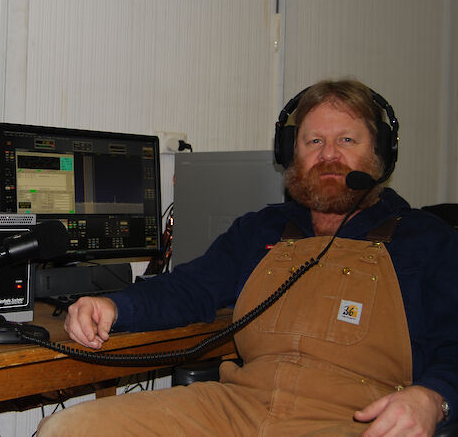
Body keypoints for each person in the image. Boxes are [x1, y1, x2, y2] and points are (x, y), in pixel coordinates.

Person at [37, 79, 458, 436]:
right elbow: (191, 287)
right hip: (238, 406)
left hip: (355, 419)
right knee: (67, 429)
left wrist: (434, 398)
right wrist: (113, 305)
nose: (329, 155)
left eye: (347, 140)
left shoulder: (426, 240)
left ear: (380, 153)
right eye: (314, 141)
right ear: (291, 153)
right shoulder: (262, 229)